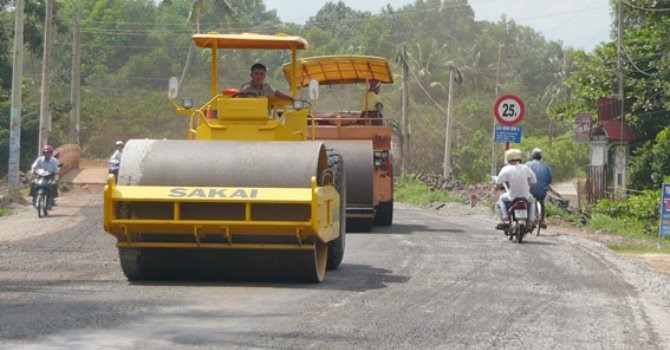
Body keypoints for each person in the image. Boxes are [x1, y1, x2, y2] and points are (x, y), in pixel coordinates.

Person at [495, 148, 537, 230]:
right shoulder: (525, 168)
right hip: (525, 196)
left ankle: (505, 219)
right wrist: (528, 186)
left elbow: (498, 183)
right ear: (519, 158)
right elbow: (534, 180)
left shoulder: (505, 169)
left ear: (508, 158)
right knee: (532, 201)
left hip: (512, 196)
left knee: (501, 200)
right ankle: (531, 221)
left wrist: (496, 187)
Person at [526, 147, 553, 229]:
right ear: (541, 156)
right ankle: (542, 220)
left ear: (532, 156)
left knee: (528, 202)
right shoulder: (546, 166)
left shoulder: (528, 165)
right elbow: (550, 179)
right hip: (542, 191)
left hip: (530, 190)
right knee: (541, 202)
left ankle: (529, 219)